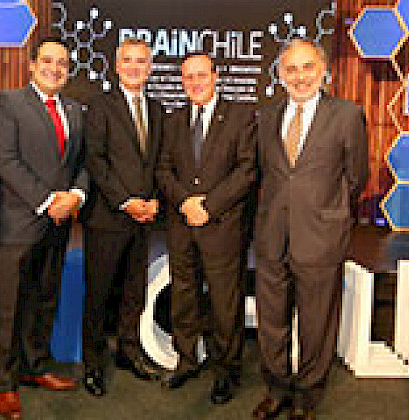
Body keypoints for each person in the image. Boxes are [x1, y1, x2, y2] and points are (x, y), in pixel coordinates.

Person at [252, 39, 368, 420]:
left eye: (307, 67)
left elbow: (356, 177)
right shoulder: (267, 117)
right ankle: (277, 389)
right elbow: (264, 174)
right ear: (280, 74)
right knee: (271, 320)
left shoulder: (347, 115)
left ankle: (307, 396)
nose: (299, 76)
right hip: (272, 235)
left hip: (321, 237)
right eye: (291, 69)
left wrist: (330, 215)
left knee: (317, 323)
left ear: (323, 70)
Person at [0, 37, 87, 419]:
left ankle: (36, 366)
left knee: (44, 299)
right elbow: (6, 162)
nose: (54, 68)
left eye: (62, 63)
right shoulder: (8, 103)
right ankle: (4, 384)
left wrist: (75, 195)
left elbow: (82, 163)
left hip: (57, 226)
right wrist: (48, 201)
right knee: (8, 307)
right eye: (47, 60)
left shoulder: (74, 110)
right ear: (31, 65)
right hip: (16, 225)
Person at [155, 51, 255, 403]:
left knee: (225, 303)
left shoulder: (241, 116)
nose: (195, 83)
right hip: (182, 224)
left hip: (223, 226)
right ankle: (186, 360)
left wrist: (209, 207)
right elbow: (163, 169)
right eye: (188, 77)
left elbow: (247, 170)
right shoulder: (173, 120)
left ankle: (227, 371)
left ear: (216, 76)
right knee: (184, 296)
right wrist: (185, 202)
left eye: (201, 75)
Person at [81, 37, 163, 396]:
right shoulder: (99, 106)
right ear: (116, 67)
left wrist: (155, 200)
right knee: (99, 295)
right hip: (108, 218)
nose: (134, 67)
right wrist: (125, 201)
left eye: (141, 61)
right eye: (128, 60)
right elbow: (95, 160)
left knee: (134, 292)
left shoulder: (157, 109)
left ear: (149, 68)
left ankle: (129, 352)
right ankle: (94, 364)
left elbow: (160, 162)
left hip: (144, 219)